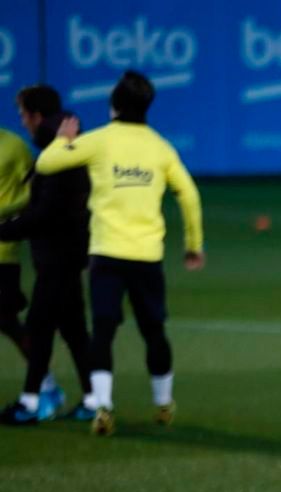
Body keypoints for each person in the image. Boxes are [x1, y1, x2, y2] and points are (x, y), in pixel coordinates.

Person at [35, 70, 204, 436]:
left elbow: (46, 165)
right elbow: (189, 195)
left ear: (114, 107)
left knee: (104, 330)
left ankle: (103, 406)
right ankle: (162, 403)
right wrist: (193, 244)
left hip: (107, 253)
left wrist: (62, 141)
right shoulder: (160, 147)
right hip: (146, 255)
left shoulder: (99, 141)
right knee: (154, 330)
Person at [0, 85, 95, 425]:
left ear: (37, 116)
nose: (23, 122)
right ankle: (94, 398)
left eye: (24, 114)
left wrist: (4, 229)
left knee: (40, 328)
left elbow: (43, 214)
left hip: (58, 256)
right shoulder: (63, 148)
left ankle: (31, 403)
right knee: (72, 330)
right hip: (66, 252)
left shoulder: (55, 156)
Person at [0, 125, 31, 363]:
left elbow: (32, 191)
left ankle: (45, 383)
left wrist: (3, 211)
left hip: (3, 250)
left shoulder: (14, 145)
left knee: (6, 320)